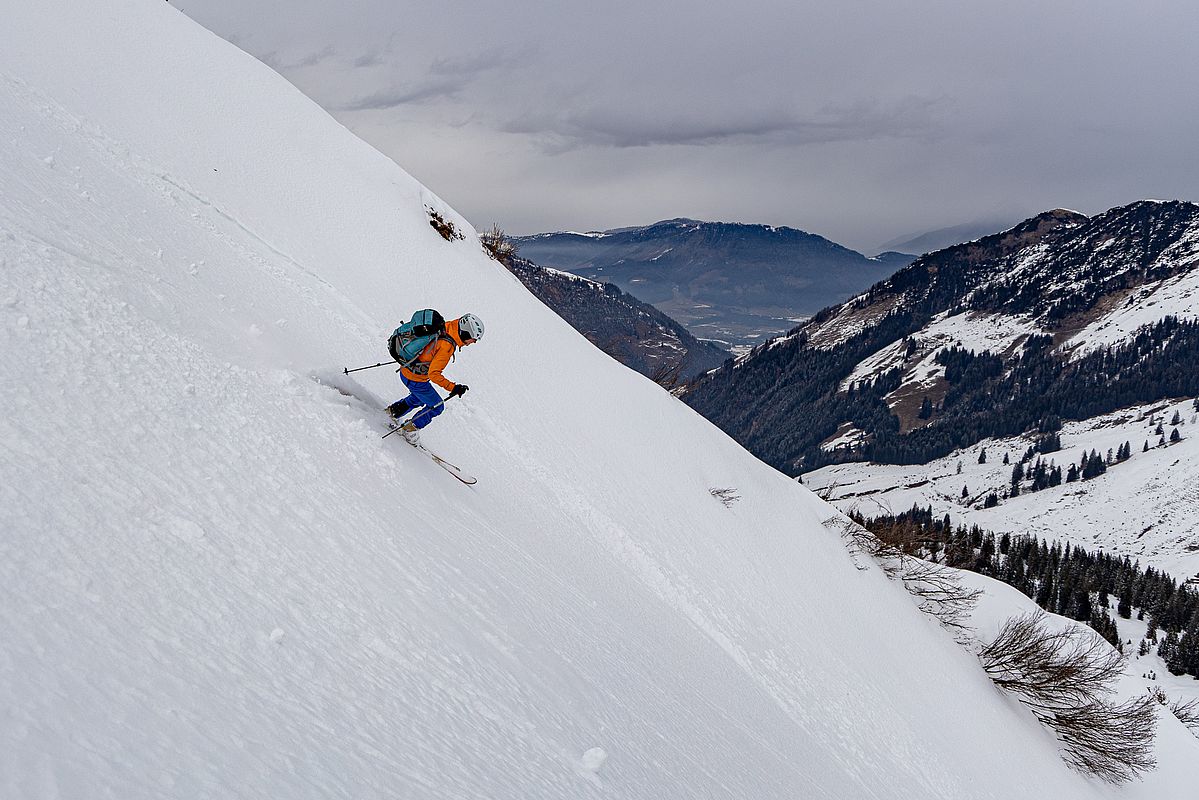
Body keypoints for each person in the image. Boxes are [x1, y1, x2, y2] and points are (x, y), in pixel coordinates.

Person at [386, 312, 484, 444]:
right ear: (466, 333)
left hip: (406, 370)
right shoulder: (447, 346)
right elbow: (434, 374)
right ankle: (410, 429)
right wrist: (453, 387)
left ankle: (392, 412)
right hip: (415, 378)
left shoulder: (447, 327)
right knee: (437, 406)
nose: (474, 342)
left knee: (418, 397)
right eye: (474, 338)